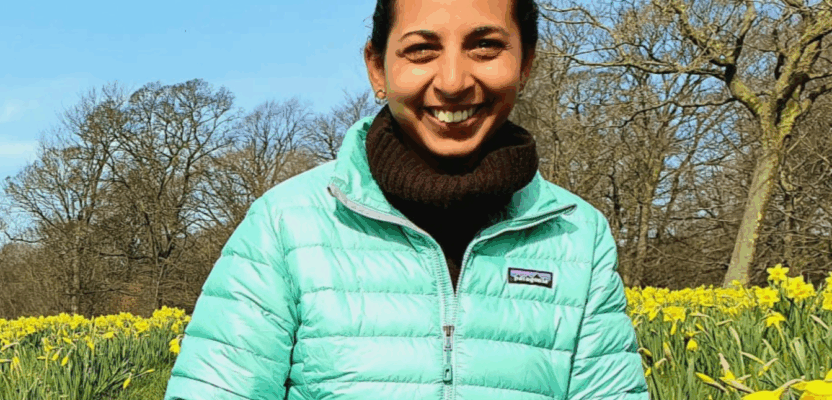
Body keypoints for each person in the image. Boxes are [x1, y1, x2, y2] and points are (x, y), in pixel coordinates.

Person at [162, 0, 649, 398]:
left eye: (485, 46)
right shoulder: (287, 223)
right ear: (378, 68)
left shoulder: (576, 234)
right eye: (421, 50)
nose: (454, 81)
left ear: (526, 63)